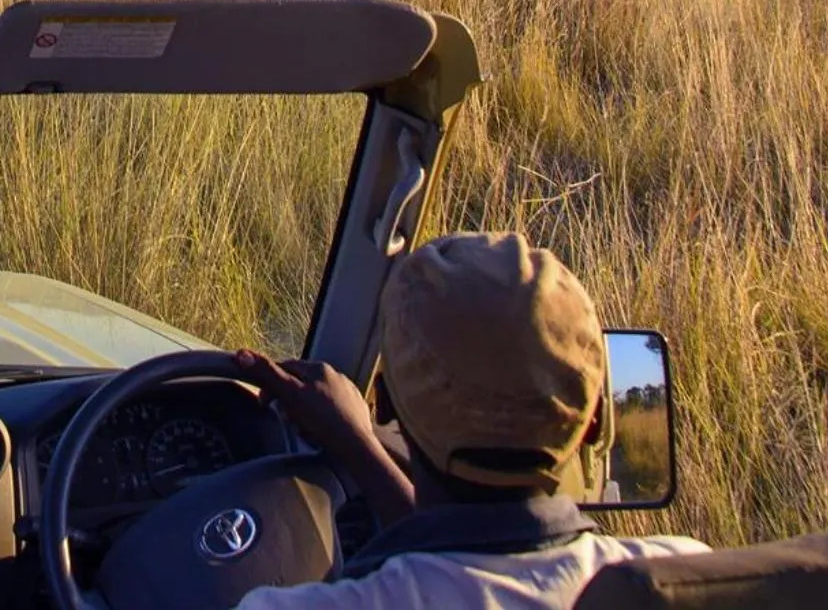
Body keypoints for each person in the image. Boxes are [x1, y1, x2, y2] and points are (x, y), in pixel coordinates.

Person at [234, 232, 706, 609]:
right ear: (597, 421)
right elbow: (482, 563)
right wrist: (360, 450)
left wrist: (356, 439)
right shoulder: (682, 578)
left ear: (385, 405)